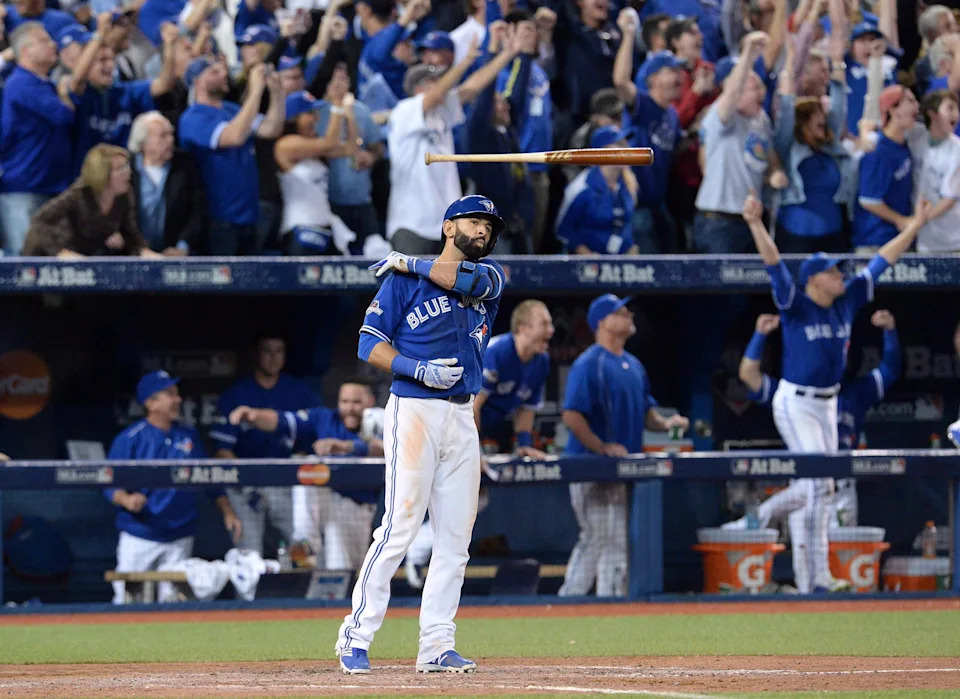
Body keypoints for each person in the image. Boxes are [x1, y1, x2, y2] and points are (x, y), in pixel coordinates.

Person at [335, 194, 507, 675]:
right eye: (474, 222)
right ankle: (356, 636)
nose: (483, 231)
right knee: (399, 528)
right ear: (449, 226)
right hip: (413, 411)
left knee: (456, 539)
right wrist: (417, 369)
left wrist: (410, 260)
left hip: (462, 417)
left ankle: (436, 645)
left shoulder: (489, 279)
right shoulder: (401, 282)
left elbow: (461, 279)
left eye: (489, 226)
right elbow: (369, 344)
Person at [741, 189, 926, 592]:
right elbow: (773, 263)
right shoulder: (796, 302)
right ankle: (811, 581)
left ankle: (811, 567)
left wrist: (913, 228)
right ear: (815, 280)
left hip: (827, 403)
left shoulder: (846, 301)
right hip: (796, 401)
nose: (842, 276)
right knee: (818, 484)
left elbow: (882, 262)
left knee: (825, 486)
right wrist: (756, 223)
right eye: (834, 272)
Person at [728, 310, 900, 572]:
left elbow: (890, 369)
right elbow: (748, 375)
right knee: (806, 566)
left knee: (841, 564)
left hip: (841, 489)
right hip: (804, 486)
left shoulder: (854, 394)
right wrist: (759, 335)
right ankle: (752, 523)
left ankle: (753, 521)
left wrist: (890, 331)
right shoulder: (792, 394)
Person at [558, 294, 689, 597]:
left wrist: (667, 424)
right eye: (620, 312)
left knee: (616, 540)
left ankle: (611, 604)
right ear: (602, 322)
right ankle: (568, 602)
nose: (629, 315)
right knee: (596, 537)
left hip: (620, 466)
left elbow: (648, 413)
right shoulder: (589, 363)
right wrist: (601, 446)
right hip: (588, 466)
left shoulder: (633, 365)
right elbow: (572, 415)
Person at [104, 370, 241, 604]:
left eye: (177, 394)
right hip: (140, 536)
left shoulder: (188, 435)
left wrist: (227, 511)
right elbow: (107, 483)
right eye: (169, 394)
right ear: (151, 403)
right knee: (128, 604)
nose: (177, 399)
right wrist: (125, 499)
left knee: (174, 606)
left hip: (179, 537)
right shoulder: (130, 438)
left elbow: (209, 478)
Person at [228, 379, 385, 571]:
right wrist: (253, 415)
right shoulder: (325, 418)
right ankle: (306, 540)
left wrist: (344, 446)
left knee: (343, 571)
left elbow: (386, 448)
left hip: (354, 506)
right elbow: (283, 420)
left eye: (356, 402)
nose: (349, 408)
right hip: (323, 501)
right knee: (307, 464)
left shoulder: (380, 418)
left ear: (369, 401)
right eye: (345, 402)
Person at [386, 35, 519, 254]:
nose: (442, 86)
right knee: (412, 288)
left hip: (447, 227)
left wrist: (507, 54)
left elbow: (472, 87)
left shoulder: (443, 114)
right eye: (435, 81)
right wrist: (465, 61)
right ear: (418, 88)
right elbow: (437, 94)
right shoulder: (405, 111)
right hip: (411, 226)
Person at [210, 332, 320, 557]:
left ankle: (305, 592)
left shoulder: (298, 392)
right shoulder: (236, 395)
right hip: (246, 484)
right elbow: (222, 451)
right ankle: (249, 593)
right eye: (267, 351)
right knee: (248, 556)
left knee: (305, 548)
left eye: (279, 351)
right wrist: (249, 481)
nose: (274, 357)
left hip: (285, 481)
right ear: (255, 355)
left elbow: (313, 439)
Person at [178, 58, 285, 255]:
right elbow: (234, 136)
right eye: (214, 72)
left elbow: (271, 129)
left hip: (250, 214)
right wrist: (255, 91)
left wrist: (278, 93)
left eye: (223, 70)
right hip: (218, 217)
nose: (223, 75)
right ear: (197, 82)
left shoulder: (231, 109)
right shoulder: (193, 117)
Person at [693, 31, 785, 254]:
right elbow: (732, 93)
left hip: (751, 220)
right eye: (754, 88)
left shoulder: (760, 119)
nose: (761, 93)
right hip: (720, 223)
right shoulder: (720, 118)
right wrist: (749, 54)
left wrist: (775, 171)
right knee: (726, 289)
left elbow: (769, 154)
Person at [772, 35, 855, 254]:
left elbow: (839, 99)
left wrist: (837, 61)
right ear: (804, 123)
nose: (825, 119)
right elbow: (787, 104)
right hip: (795, 236)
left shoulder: (830, 145)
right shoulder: (788, 145)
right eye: (818, 116)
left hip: (835, 235)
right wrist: (790, 58)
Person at [0, 22, 75, 256]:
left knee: (54, 263)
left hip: (50, 185)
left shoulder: (44, 83)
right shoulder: (22, 83)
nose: (52, 44)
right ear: (25, 51)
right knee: (25, 262)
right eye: (43, 41)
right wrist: (64, 94)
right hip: (25, 187)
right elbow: (63, 115)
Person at [22, 144, 160, 257]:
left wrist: (144, 251)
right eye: (121, 168)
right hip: (47, 258)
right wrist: (61, 252)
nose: (128, 172)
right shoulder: (79, 194)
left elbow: (130, 233)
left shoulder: (124, 196)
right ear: (103, 173)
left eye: (127, 166)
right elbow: (40, 221)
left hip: (85, 259)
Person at [274, 90, 359, 254]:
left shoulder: (314, 148)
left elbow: (351, 147)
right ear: (294, 118)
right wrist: (337, 105)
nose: (316, 119)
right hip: (301, 227)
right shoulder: (285, 145)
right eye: (309, 114)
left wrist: (349, 115)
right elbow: (329, 144)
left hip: (325, 227)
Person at [475, 299, 554, 458]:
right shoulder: (496, 353)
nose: (551, 330)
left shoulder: (542, 361)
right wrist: (473, 450)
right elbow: (471, 407)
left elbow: (527, 407)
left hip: (499, 425)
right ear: (523, 328)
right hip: (463, 425)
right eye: (544, 324)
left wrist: (524, 445)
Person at [127, 111, 208, 255]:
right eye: (163, 135)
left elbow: (198, 210)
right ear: (144, 141)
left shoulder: (185, 165)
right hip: (135, 253)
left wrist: (182, 247)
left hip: (175, 253)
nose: (170, 140)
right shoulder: (127, 169)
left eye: (171, 134)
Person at [854, 85, 920, 252]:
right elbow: (869, 200)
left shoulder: (902, 144)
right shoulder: (877, 150)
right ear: (893, 110)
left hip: (896, 238)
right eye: (910, 101)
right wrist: (902, 220)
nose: (917, 106)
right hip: (875, 241)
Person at [555, 125, 638, 255]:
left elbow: (625, 223)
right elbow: (564, 230)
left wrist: (631, 247)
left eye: (626, 144)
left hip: (620, 263)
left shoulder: (627, 184)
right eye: (619, 145)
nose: (627, 149)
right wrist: (588, 256)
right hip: (587, 265)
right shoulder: (582, 187)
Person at [912, 90, 960, 253]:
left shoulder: (957, 149)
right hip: (924, 241)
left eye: (957, 109)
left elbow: (948, 199)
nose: (956, 114)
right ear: (932, 114)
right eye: (950, 108)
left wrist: (917, 222)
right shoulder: (917, 139)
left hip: (953, 241)